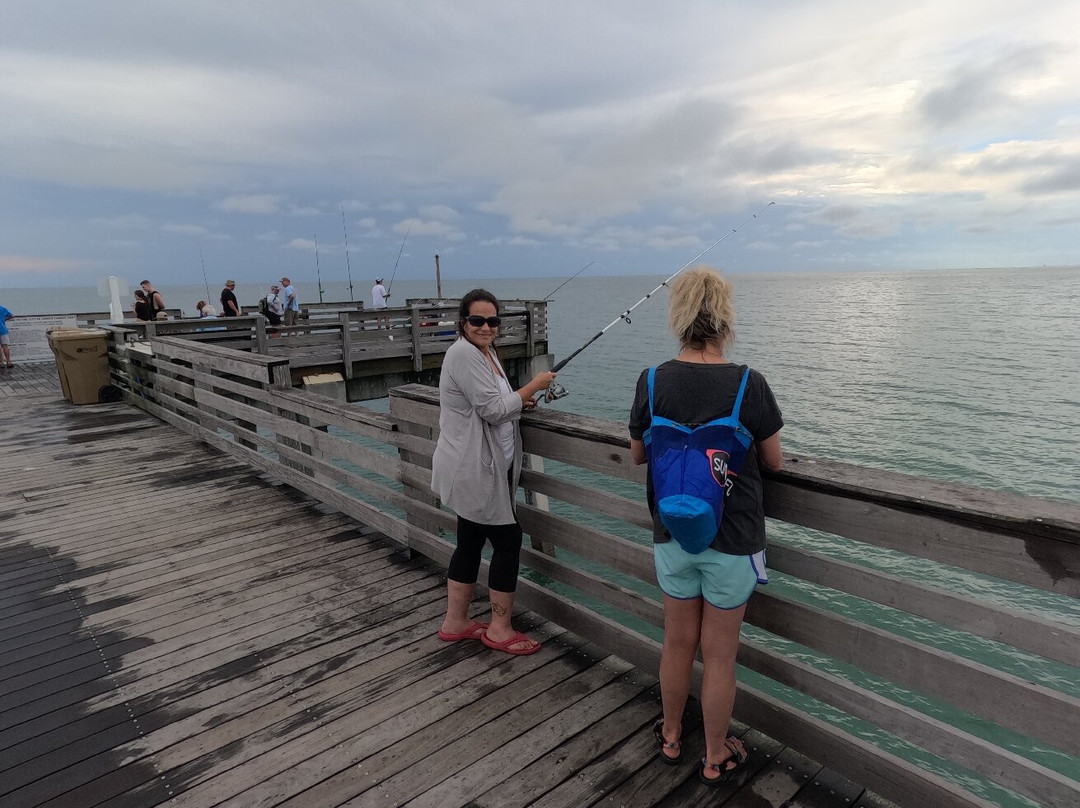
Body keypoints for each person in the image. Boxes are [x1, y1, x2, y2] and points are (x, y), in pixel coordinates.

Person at [627, 266, 783, 786]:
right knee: (719, 657)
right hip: (732, 539)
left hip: (671, 533)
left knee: (676, 643)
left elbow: (636, 454)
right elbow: (775, 461)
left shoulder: (651, 379)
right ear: (724, 321)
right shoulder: (748, 384)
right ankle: (715, 756)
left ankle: (671, 736)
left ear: (679, 316)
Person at [430, 289, 557, 656]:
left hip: (480, 466)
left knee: (469, 540)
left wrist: (519, 400)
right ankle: (500, 629)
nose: (486, 327)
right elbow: (491, 410)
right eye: (477, 320)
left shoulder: (485, 352)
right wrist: (535, 384)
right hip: (474, 469)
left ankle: (456, 622)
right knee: (508, 541)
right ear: (463, 322)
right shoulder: (463, 353)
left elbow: (495, 403)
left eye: (493, 321)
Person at [0, 303, 14, 368]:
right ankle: (8, 362)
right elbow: (11, 315)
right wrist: (3, 320)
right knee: (5, 346)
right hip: (3, 329)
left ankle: (1, 362)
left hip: (3, 330)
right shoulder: (2, 308)